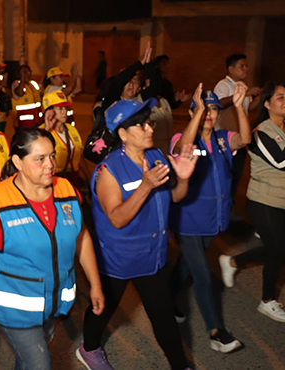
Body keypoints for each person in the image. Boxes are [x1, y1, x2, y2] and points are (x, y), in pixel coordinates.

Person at [0, 127, 104, 370]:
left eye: (52, 156)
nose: (50, 165)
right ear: (17, 162)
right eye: (40, 159)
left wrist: (95, 284)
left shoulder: (67, 190)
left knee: (30, 360)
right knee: (40, 364)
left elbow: (81, 237)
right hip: (15, 311)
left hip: (54, 303)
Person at [76, 99, 196, 370]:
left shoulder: (156, 156)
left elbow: (175, 196)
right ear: (122, 134)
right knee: (102, 307)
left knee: (163, 315)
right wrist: (145, 186)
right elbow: (116, 218)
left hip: (151, 256)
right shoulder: (108, 170)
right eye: (140, 125)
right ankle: (89, 349)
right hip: (117, 258)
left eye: (148, 122)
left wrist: (185, 178)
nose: (148, 128)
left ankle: (180, 365)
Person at [168, 83, 250, 353]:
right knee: (202, 274)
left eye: (213, 109)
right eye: (204, 110)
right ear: (194, 113)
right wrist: (197, 113)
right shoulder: (182, 138)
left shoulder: (223, 139)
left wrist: (238, 106)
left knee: (187, 264)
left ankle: (168, 298)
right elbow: (182, 148)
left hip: (212, 219)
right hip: (187, 220)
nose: (209, 115)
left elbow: (245, 140)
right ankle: (216, 331)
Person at [219, 82, 285, 323]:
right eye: (280, 97)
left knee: (276, 249)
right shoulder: (259, 133)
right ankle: (267, 301)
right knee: (278, 250)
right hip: (263, 201)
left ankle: (233, 261)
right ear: (267, 104)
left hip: (284, 200)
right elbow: (282, 162)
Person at [214, 54, 262, 199]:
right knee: (224, 174)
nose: (246, 68)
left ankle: (230, 206)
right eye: (242, 66)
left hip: (240, 138)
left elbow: (250, 108)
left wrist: (259, 96)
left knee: (236, 174)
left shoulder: (241, 86)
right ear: (231, 69)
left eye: (246, 65)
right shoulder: (223, 85)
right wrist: (246, 93)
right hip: (225, 139)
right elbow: (219, 103)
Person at [40, 90, 87, 188]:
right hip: (53, 182)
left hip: (73, 180)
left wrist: (89, 176)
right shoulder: (42, 132)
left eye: (65, 108)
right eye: (60, 108)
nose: (65, 111)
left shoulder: (71, 129)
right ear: (49, 111)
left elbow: (79, 156)